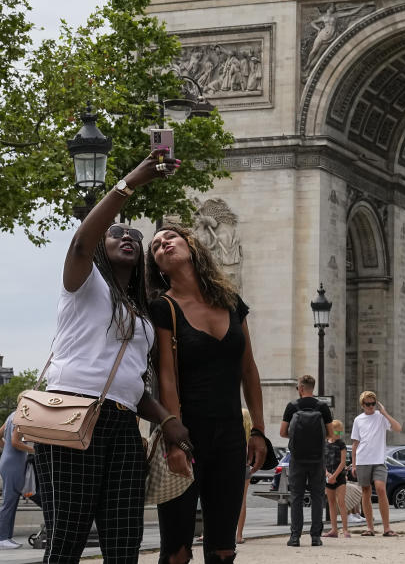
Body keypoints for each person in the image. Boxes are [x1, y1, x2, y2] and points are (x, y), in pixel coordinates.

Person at [34, 148, 191, 563]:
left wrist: (167, 420)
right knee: (66, 538)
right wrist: (129, 183)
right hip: (72, 414)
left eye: (135, 238)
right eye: (117, 234)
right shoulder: (82, 285)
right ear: (101, 247)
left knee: (125, 542)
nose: (128, 238)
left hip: (123, 425)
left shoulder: (140, 315)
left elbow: (131, 385)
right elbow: (81, 241)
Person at [147, 224, 268, 564]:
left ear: (192, 245)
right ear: (157, 265)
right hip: (186, 433)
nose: (162, 243)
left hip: (231, 434)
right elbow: (166, 379)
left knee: (223, 548)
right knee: (177, 551)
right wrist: (174, 441)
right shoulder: (162, 308)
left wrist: (258, 429)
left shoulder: (231, 302)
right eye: (156, 245)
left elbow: (249, 368)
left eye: (170, 237)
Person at [279, 374, 333, 547]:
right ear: (312, 388)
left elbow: (282, 432)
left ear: (301, 388)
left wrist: (296, 437)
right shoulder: (323, 407)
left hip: (297, 458)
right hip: (317, 459)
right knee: (317, 497)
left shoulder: (292, 406)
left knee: (296, 497)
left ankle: (295, 537)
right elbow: (332, 433)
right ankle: (316, 537)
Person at [350, 390, 402, 537]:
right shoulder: (358, 420)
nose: (371, 406)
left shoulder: (380, 417)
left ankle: (387, 528)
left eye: (373, 404)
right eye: (368, 404)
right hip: (363, 460)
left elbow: (398, 428)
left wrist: (384, 413)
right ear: (362, 405)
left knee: (380, 488)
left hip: (379, 460)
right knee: (366, 491)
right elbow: (355, 444)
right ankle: (370, 528)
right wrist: (353, 464)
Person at [0, 410, 35, 550]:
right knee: (9, 501)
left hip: (8, 461)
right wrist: (34, 451)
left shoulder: (12, 415)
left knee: (11, 500)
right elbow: (16, 442)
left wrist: (8, 451)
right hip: (14, 464)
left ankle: (6, 538)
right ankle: (2, 539)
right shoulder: (21, 417)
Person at [323, 419, 349, 538]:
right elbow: (322, 461)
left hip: (339, 477)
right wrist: (327, 474)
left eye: (340, 433)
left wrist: (334, 476)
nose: (338, 435)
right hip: (328, 476)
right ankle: (334, 529)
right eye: (336, 432)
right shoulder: (325, 444)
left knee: (341, 502)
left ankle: (345, 529)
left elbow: (343, 462)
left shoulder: (341, 444)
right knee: (331, 503)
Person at [235, 408, 253, 545]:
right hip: (245, 465)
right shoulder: (249, 435)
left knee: (218, 499)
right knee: (242, 501)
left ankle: (210, 533)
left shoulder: (231, 432)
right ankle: (239, 535)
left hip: (230, 465)